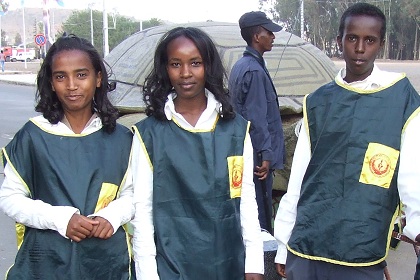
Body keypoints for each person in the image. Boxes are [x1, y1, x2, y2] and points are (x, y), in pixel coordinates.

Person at [273, 3, 420, 280]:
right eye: (352, 38)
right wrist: (283, 245)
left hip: (362, 247)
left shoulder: (402, 99)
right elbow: (300, 179)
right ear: (340, 40)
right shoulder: (318, 102)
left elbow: (412, 176)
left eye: (370, 40)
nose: (360, 48)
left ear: (381, 44)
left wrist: (417, 224)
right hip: (309, 246)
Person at [131, 26, 264, 280]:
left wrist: (254, 263)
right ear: (165, 69)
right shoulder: (149, 135)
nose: (185, 73)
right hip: (171, 267)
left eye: (195, 63)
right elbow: (143, 212)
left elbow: (246, 200)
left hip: (228, 263)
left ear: (208, 67)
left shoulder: (235, 130)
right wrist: (148, 275)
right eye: (175, 64)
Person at [0, 34, 135, 279]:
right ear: (51, 83)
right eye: (61, 76)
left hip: (105, 261)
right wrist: (61, 219)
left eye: (81, 75)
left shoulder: (121, 138)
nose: (71, 85)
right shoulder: (33, 135)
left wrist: (112, 216)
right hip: (45, 261)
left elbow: (133, 194)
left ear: (98, 78)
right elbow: (9, 198)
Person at [228, 11, 286, 233]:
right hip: (257, 158)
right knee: (260, 217)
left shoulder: (243, 65)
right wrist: (266, 154)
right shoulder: (253, 70)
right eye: (269, 32)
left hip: (249, 154)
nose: (273, 36)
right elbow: (257, 119)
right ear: (256, 36)